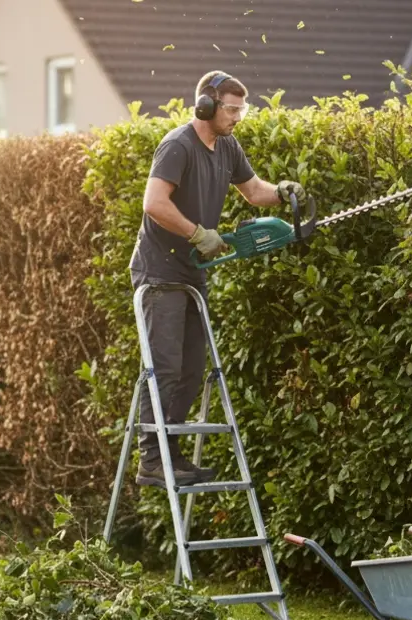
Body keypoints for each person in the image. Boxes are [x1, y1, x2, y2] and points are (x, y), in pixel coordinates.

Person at [130, 70, 307, 487]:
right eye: (231, 109)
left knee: (192, 369)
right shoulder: (178, 145)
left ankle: (169, 455)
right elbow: (154, 203)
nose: (238, 117)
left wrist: (281, 191)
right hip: (160, 272)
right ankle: (152, 457)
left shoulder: (227, 146)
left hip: (191, 273)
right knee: (165, 367)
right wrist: (195, 232)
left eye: (242, 109)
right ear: (206, 106)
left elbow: (253, 190)